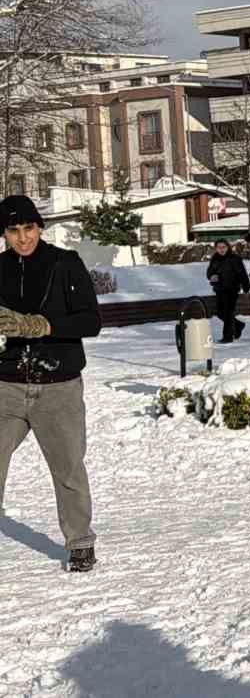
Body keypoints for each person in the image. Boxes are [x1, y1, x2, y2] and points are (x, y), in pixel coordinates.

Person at [0, 195, 102, 572]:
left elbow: (91, 321)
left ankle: (79, 543)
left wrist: (45, 325)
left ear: (40, 227)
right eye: (13, 230)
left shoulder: (65, 264)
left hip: (57, 385)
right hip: (6, 384)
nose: (22, 237)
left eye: (28, 228)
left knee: (68, 468)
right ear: (5, 234)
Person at [206, 238, 250, 343]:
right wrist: (211, 276)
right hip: (219, 289)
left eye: (223, 247)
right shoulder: (215, 259)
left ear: (228, 247)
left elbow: (242, 274)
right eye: (218, 247)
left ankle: (228, 336)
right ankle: (238, 325)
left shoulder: (234, 258)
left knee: (228, 312)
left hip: (232, 289)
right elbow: (209, 272)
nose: (221, 250)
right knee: (220, 313)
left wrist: (246, 288)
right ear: (216, 248)